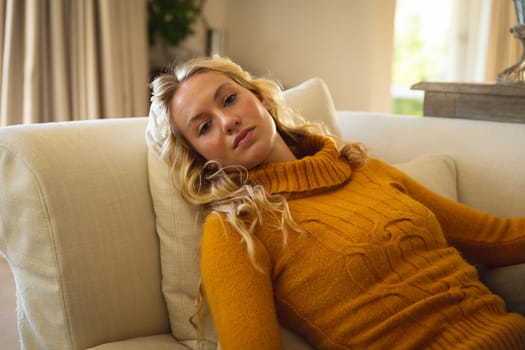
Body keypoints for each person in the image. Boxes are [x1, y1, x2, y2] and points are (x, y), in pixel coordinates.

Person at [149, 56, 525, 349]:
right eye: (204, 127)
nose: (227, 120)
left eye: (229, 99)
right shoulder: (237, 229)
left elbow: (499, 238)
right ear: (201, 157)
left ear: (261, 99)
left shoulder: (365, 170)